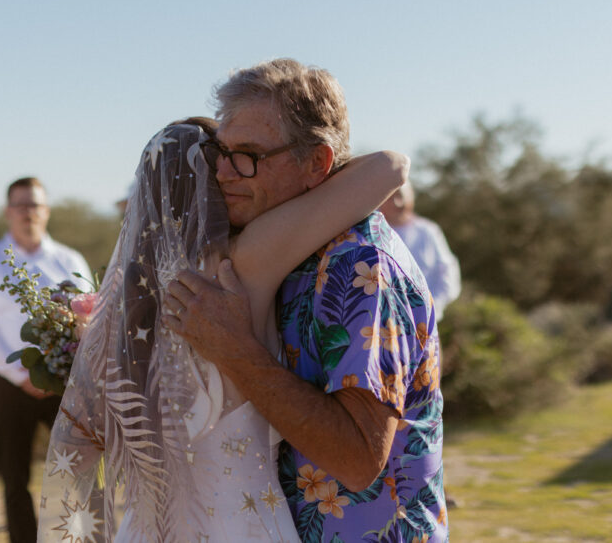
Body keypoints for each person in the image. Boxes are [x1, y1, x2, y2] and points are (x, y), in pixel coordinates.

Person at [37, 116, 407, 542]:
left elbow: (79, 444)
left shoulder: (123, 307)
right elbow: (391, 167)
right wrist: (304, 161)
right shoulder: (242, 263)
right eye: (231, 161)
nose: (238, 172)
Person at [165, 59, 447, 541]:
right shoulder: (287, 253)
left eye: (248, 155)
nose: (224, 173)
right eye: (221, 152)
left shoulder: (361, 267)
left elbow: (358, 461)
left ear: (317, 163)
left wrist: (233, 349)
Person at [0, 177, 90, 543]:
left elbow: (88, 316)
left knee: (80, 468)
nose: (28, 213)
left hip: (65, 382)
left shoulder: (69, 260)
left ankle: (84, 536)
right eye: (20, 205)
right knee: (14, 476)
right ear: (8, 212)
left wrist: (64, 369)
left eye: (34, 205)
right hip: (8, 383)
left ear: (46, 211)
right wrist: (18, 373)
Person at [380, 181, 462, 317]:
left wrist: (432, 306)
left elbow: (447, 271)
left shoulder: (428, 231)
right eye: (390, 197)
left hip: (425, 318)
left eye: (401, 196)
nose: (397, 203)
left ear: (411, 197)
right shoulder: (372, 233)